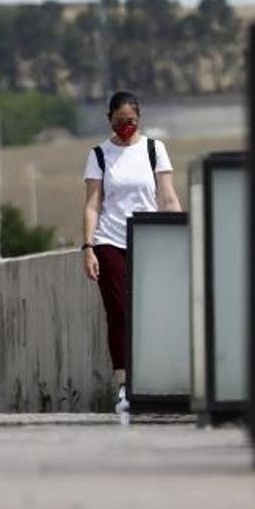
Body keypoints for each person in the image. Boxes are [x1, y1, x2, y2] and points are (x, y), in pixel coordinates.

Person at [81, 91, 183, 421]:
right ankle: (124, 382)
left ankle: (156, 378)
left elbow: (167, 197)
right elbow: (93, 204)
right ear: (108, 118)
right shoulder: (99, 154)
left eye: (131, 121)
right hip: (111, 239)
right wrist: (88, 247)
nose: (125, 126)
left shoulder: (154, 150)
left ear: (139, 118)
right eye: (119, 120)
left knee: (151, 310)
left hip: (150, 237)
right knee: (119, 309)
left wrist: (177, 234)